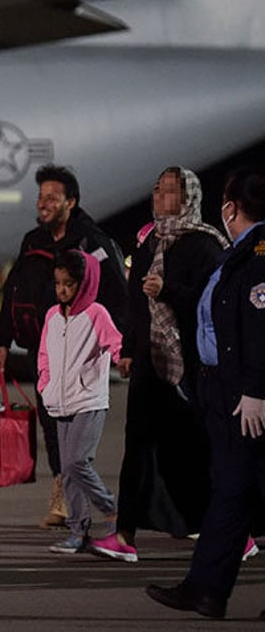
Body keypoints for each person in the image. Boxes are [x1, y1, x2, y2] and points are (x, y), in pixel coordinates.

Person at [91, 167, 232, 563]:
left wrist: (169, 290)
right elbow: (138, 304)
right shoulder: (152, 239)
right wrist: (130, 348)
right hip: (150, 365)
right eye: (156, 189)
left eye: (168, 191)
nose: (158, 196)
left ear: (187, 198)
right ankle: (124, 535)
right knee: (137, 446)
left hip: (189, 366)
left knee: (192, 450)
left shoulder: (206, 246)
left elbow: (213, 306)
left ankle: (235, 533)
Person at [146, 168, 265, 619]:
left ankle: (205, 589)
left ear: (232, 206)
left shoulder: (258, 255)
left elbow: (259, 330)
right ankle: (206, 590)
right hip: (225, 389)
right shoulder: (239, 252)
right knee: (231, 490)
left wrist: (255, 390)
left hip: (247, 394)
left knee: (235, 488)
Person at [0, 164, 127, 529]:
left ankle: (97, 507)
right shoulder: (33, 241)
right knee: (52, 424)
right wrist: (3, 342)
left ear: (72, 201)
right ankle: (64, 496)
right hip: (45, 349)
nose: (44, 204)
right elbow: (12, 291)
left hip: (82, 354)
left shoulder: (91, 242)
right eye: (41, 197)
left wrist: (116, 347)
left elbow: (118, 293)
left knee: (76, 438)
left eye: (52, 198)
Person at [38, 250, 121, 554]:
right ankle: (78, 531)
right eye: (58, 283)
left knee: (77, 462)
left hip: (88, 401)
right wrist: (44, 384)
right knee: (67, 467)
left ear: (84, 283)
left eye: (69, 284)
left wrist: (122, 358)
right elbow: (44, 355)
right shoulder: (52, 315)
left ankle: (111, 509)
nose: (62, 290)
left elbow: (115, 342)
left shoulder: (96, 313)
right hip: (60, 402)